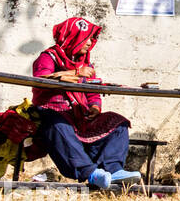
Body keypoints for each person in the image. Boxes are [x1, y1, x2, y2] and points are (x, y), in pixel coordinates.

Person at [30, 17, 139, 188]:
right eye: (85, 38)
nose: (89, 43)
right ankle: (91, 173)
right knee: (58, 125)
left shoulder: (85, 64)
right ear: (72, 37)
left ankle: (113, 170)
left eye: (91, 39)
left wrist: (95, 107)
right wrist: (74, 72)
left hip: (80, 116)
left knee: (117, 123)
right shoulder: (48, 57)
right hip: (52, 113)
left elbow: (92, 92)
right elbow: (40, 79)